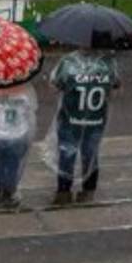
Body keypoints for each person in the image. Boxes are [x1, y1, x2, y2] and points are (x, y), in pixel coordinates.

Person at [48, 44, 119, 203]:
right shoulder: (108, 63)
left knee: (67, 154)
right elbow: (115, 89)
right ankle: (88, 191)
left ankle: (64, 192)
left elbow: (54, 86)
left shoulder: (68, 61)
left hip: (70, 118)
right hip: (96, 119)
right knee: (91, 155)